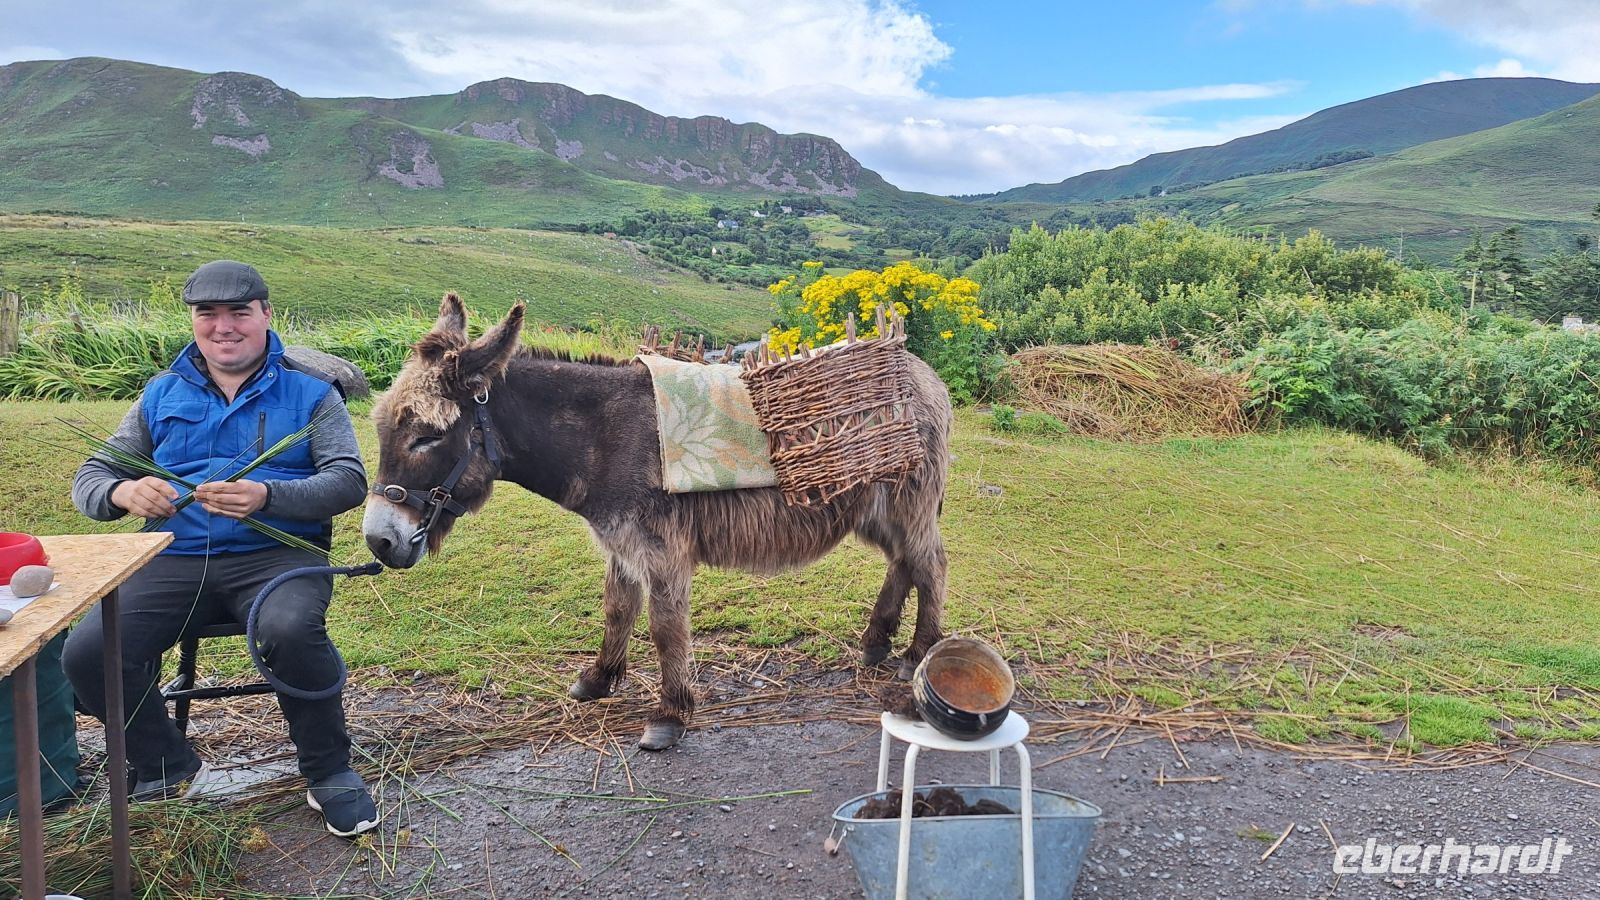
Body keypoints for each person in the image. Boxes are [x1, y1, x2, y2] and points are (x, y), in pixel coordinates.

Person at [64, 260, 378, 837]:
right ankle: (167, 767)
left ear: (266, 314)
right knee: (89, 651)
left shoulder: (312, 393)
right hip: (173, 556)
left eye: (239, 312)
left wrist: (267, 495)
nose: (223, 326)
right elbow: (92, 476)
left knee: (289, 629)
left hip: (279, 555)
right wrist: (122, 492)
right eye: (207, 313)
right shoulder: (161, 392)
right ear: (193, 320)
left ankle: (330, 771)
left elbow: (348, 481)